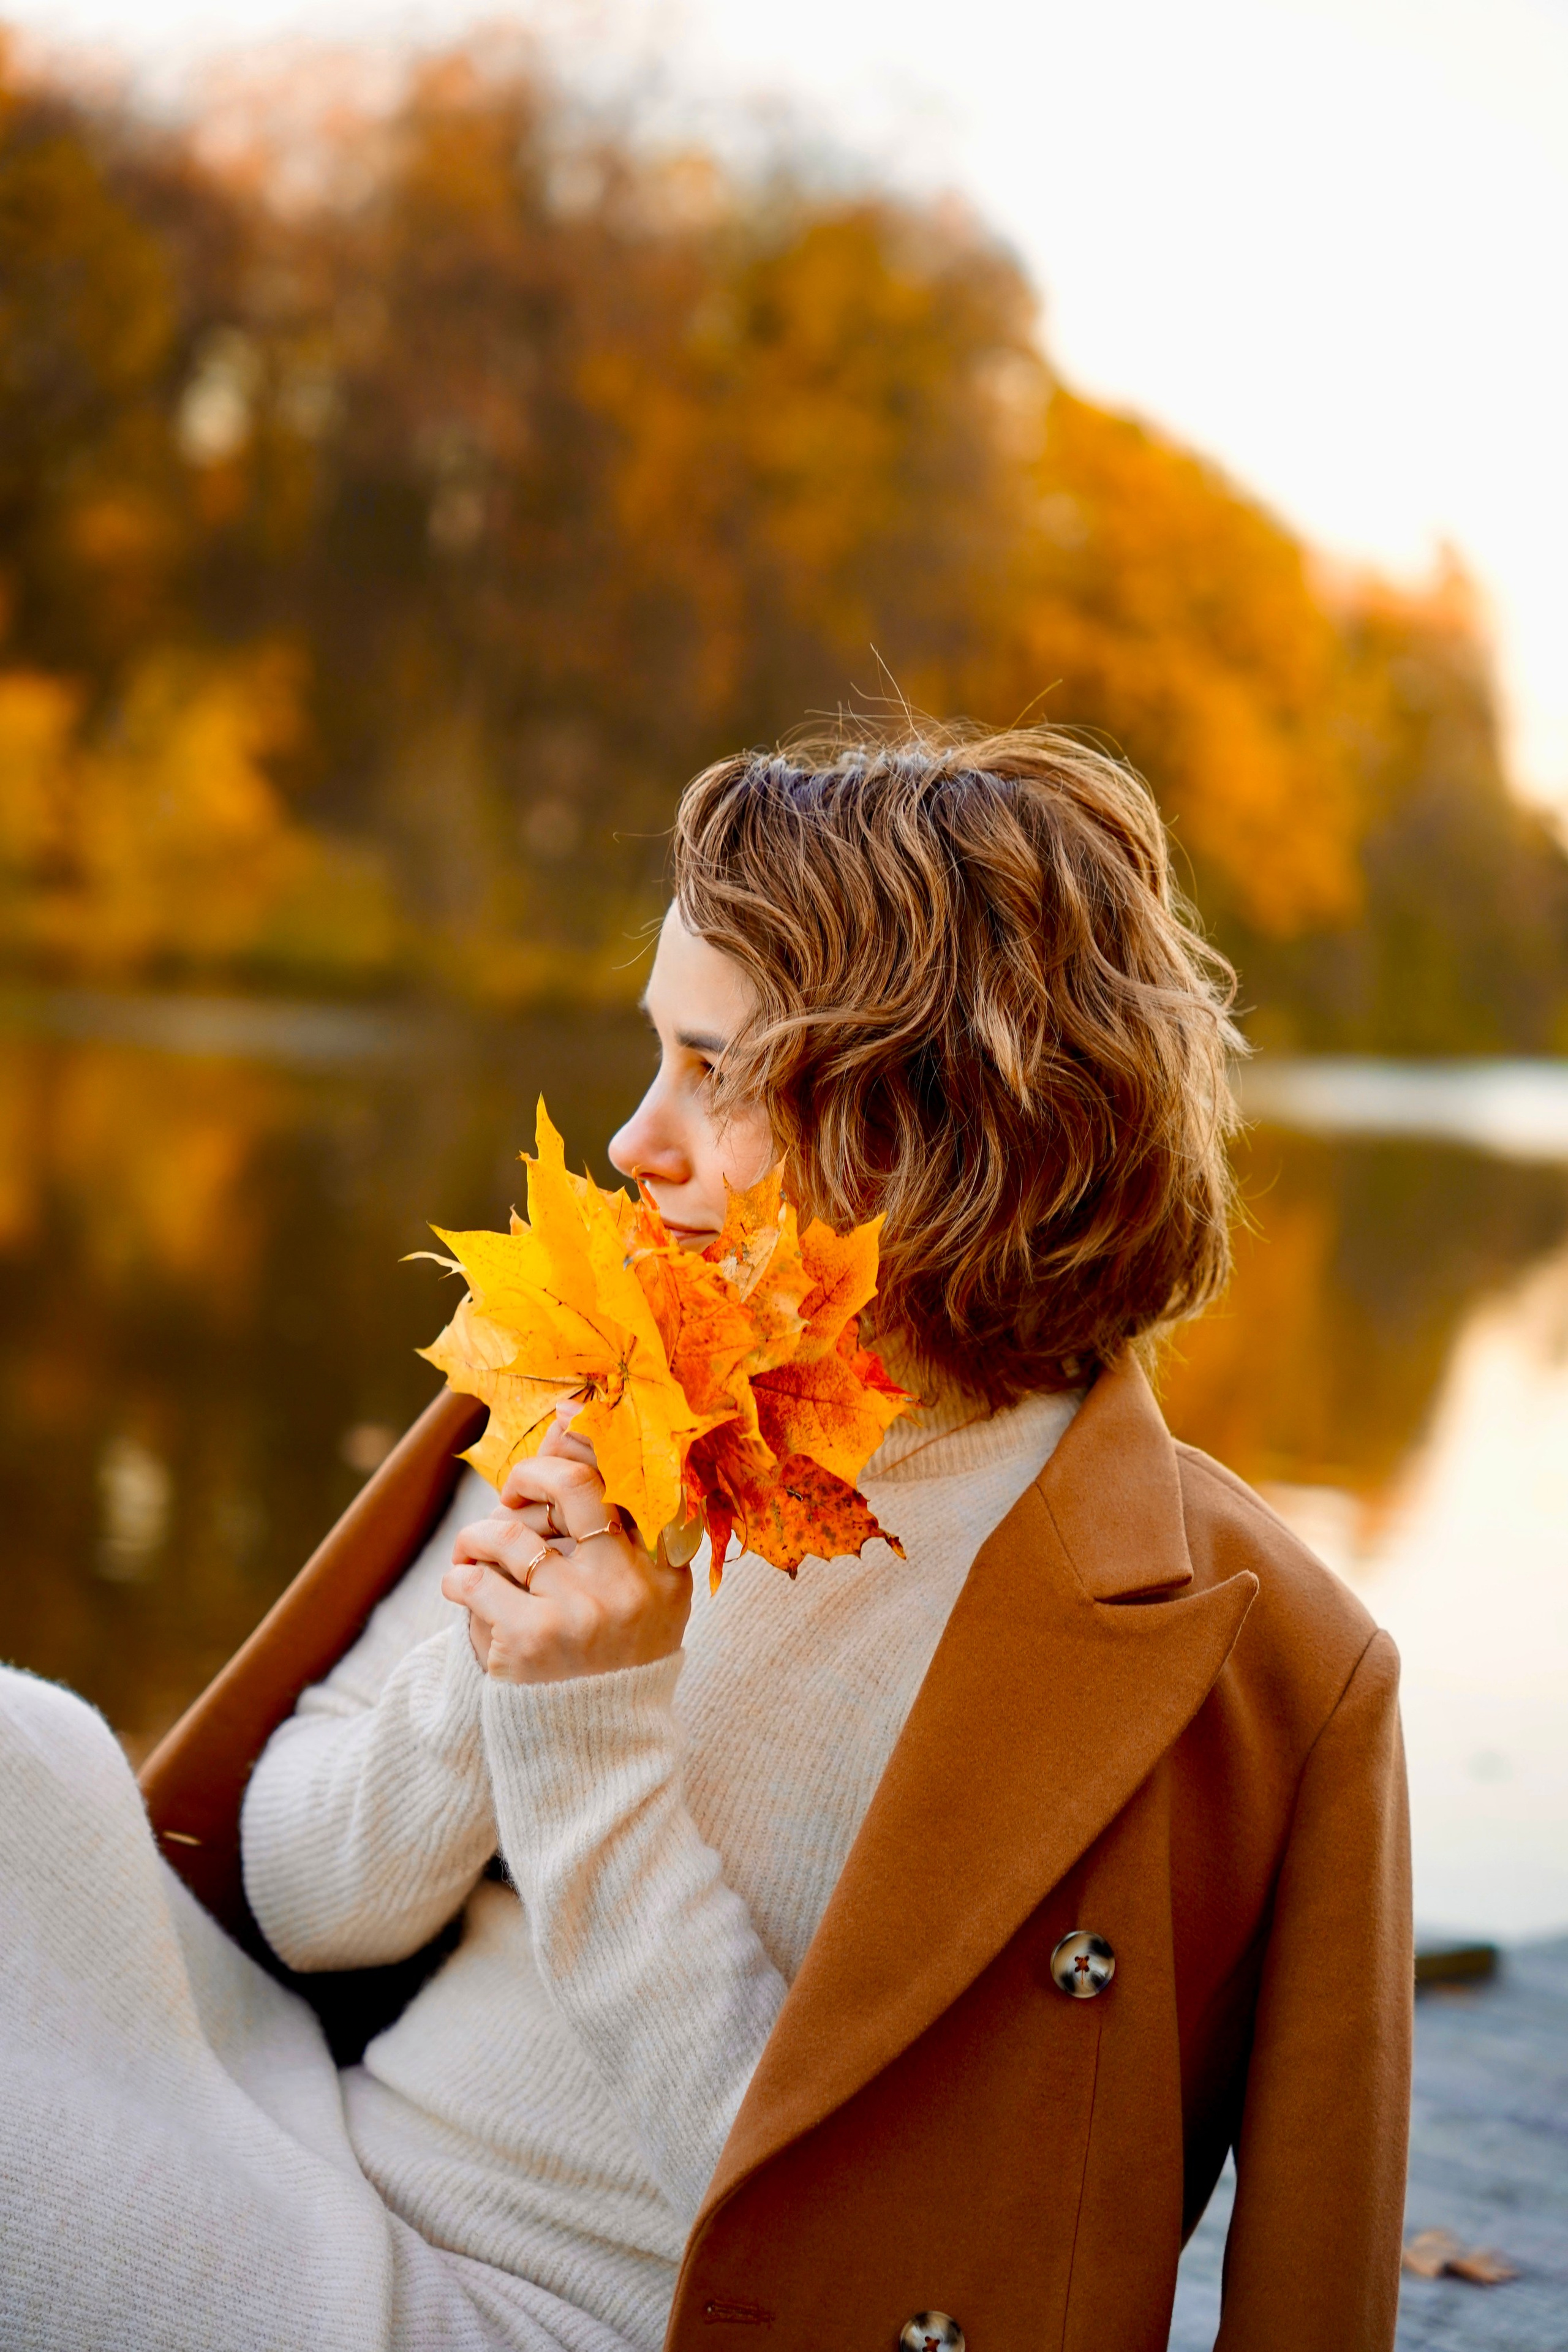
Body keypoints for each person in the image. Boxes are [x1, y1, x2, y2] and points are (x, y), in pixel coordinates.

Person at [0, 722, 1411, 2352]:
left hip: (558, 2320)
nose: (633, 1144)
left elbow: (848, 2239)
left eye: (714, 1072)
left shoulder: (1245, 1656)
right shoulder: (624, 1373)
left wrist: (590, 1734)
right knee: (23, 1748)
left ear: (930, 1117)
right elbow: (304, 1894)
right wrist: (502, 1668)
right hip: (294, 2141)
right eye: (655, 1054)